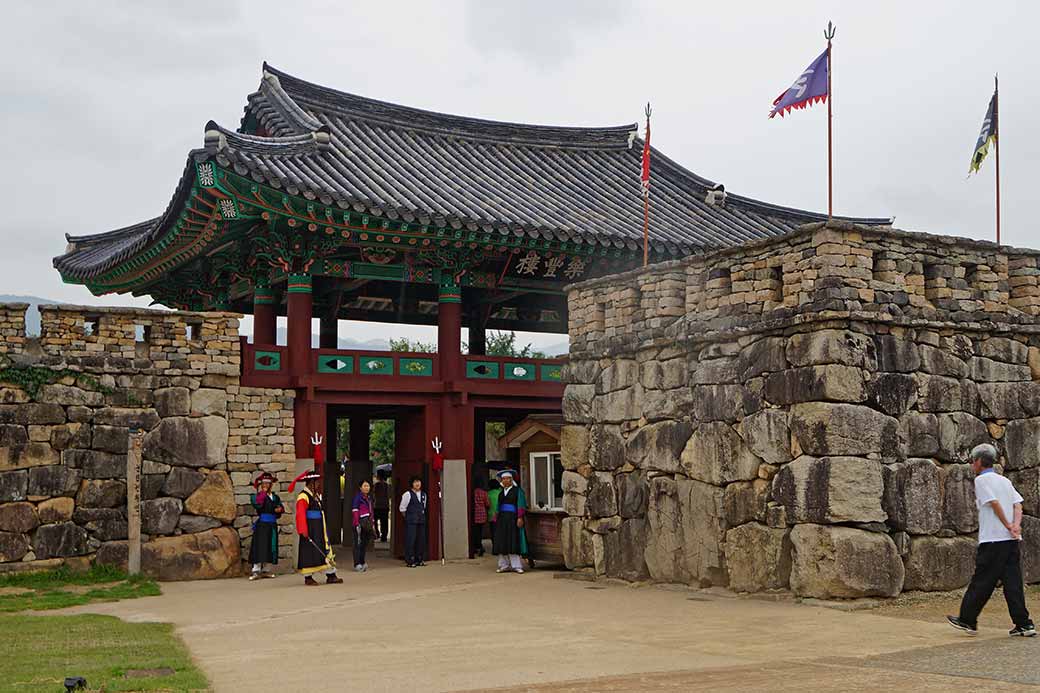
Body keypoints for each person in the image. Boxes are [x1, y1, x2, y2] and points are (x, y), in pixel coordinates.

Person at [947, 444, 1035, 637]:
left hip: (993, 540)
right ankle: (1024, 624)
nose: (972, 465)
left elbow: (994, 504)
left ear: (978, 461)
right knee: (1013, 583)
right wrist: (1015, 526)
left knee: (982, 581)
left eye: (972, 461)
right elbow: (1017, 505)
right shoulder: (1004, 481)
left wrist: (1006, 525)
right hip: (1011, 541)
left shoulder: (982, 480)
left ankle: (967, 620)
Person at [289, 469, 343, 586]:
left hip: (319, 528)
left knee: (324, 550)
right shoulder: (303, 496)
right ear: (311, 483)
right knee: (309, 552)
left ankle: (331, 575)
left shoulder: (316, 496)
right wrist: (303, 530)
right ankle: (308, 577)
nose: (318, 484)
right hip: (310, 528)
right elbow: (300, 514)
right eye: (316, 482)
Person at [248, 472, 284, 580]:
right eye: (264, 483)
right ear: (261, 484)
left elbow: (280, 507)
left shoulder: (275, 497)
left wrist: (280, 510)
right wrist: (263, 493)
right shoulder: (257, 496)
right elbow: (258, 505)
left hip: (272, 525)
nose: (266, 485)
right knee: (260, 546)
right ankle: (256, 569)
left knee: (270, 546)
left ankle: (266, 570)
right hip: (262, 525)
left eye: (268, 483)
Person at [492, 470, 526, 574]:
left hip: (513, 518)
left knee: (513, 541)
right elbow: (498, 506)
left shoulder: (517, 491)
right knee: (502, 541)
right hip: (502, 519)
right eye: (503, 479)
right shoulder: (501, 493)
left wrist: (520, 517)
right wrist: (496, 517)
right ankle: (504, 565)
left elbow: (521, 504)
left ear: (511, 480)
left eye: (507, 479)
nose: (505, 481)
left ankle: (516, 566)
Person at [399, 475, 428, 568]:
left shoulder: (424, 494)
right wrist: (409, 517)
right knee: (411, 540)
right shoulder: (407, 494)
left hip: (421, 520)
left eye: (419, 482)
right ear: (412, 484)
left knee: (421, 540)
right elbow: (402, 508)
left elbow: (423, 507)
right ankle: (410, 560)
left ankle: (419, 559)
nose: (417, 484)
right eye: (415, 482)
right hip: (411, 521)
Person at [352, 479, 375, 572]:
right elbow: (355, 510)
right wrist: (357, 523)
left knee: (364, 544)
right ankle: (357, 563)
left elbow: (371, 511)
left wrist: (372, 523)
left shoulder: (369, 498)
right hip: (359, 523)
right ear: (360, 487)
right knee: (357, 544)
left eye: (368, 486)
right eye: (365, 486)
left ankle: (362, 561)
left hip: (367, 523)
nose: (366, 488)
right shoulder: (358, 498)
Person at [471, 477, 490, 558]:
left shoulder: (472, 493)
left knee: (475, 531)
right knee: (480, 531)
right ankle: (479, 546)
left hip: (474, 513)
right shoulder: (484, 493)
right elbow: (487, 504)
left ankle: (476, 546)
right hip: (482, 514)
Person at [372, 470, 391, 542]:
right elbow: (389, 495)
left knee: (374, 521)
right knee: (384, 522)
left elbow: (373, 494)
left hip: (377, 505)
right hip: (385, 505)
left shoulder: (376, 485)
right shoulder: (387, 485)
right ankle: (384, 536)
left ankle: (376, 533)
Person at [487, 477, 501, 543]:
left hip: (491, 515)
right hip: (500, 515)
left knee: (493, 531)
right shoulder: (501, 492)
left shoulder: (488, 493)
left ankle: (494, 547)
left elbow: (487, 504)